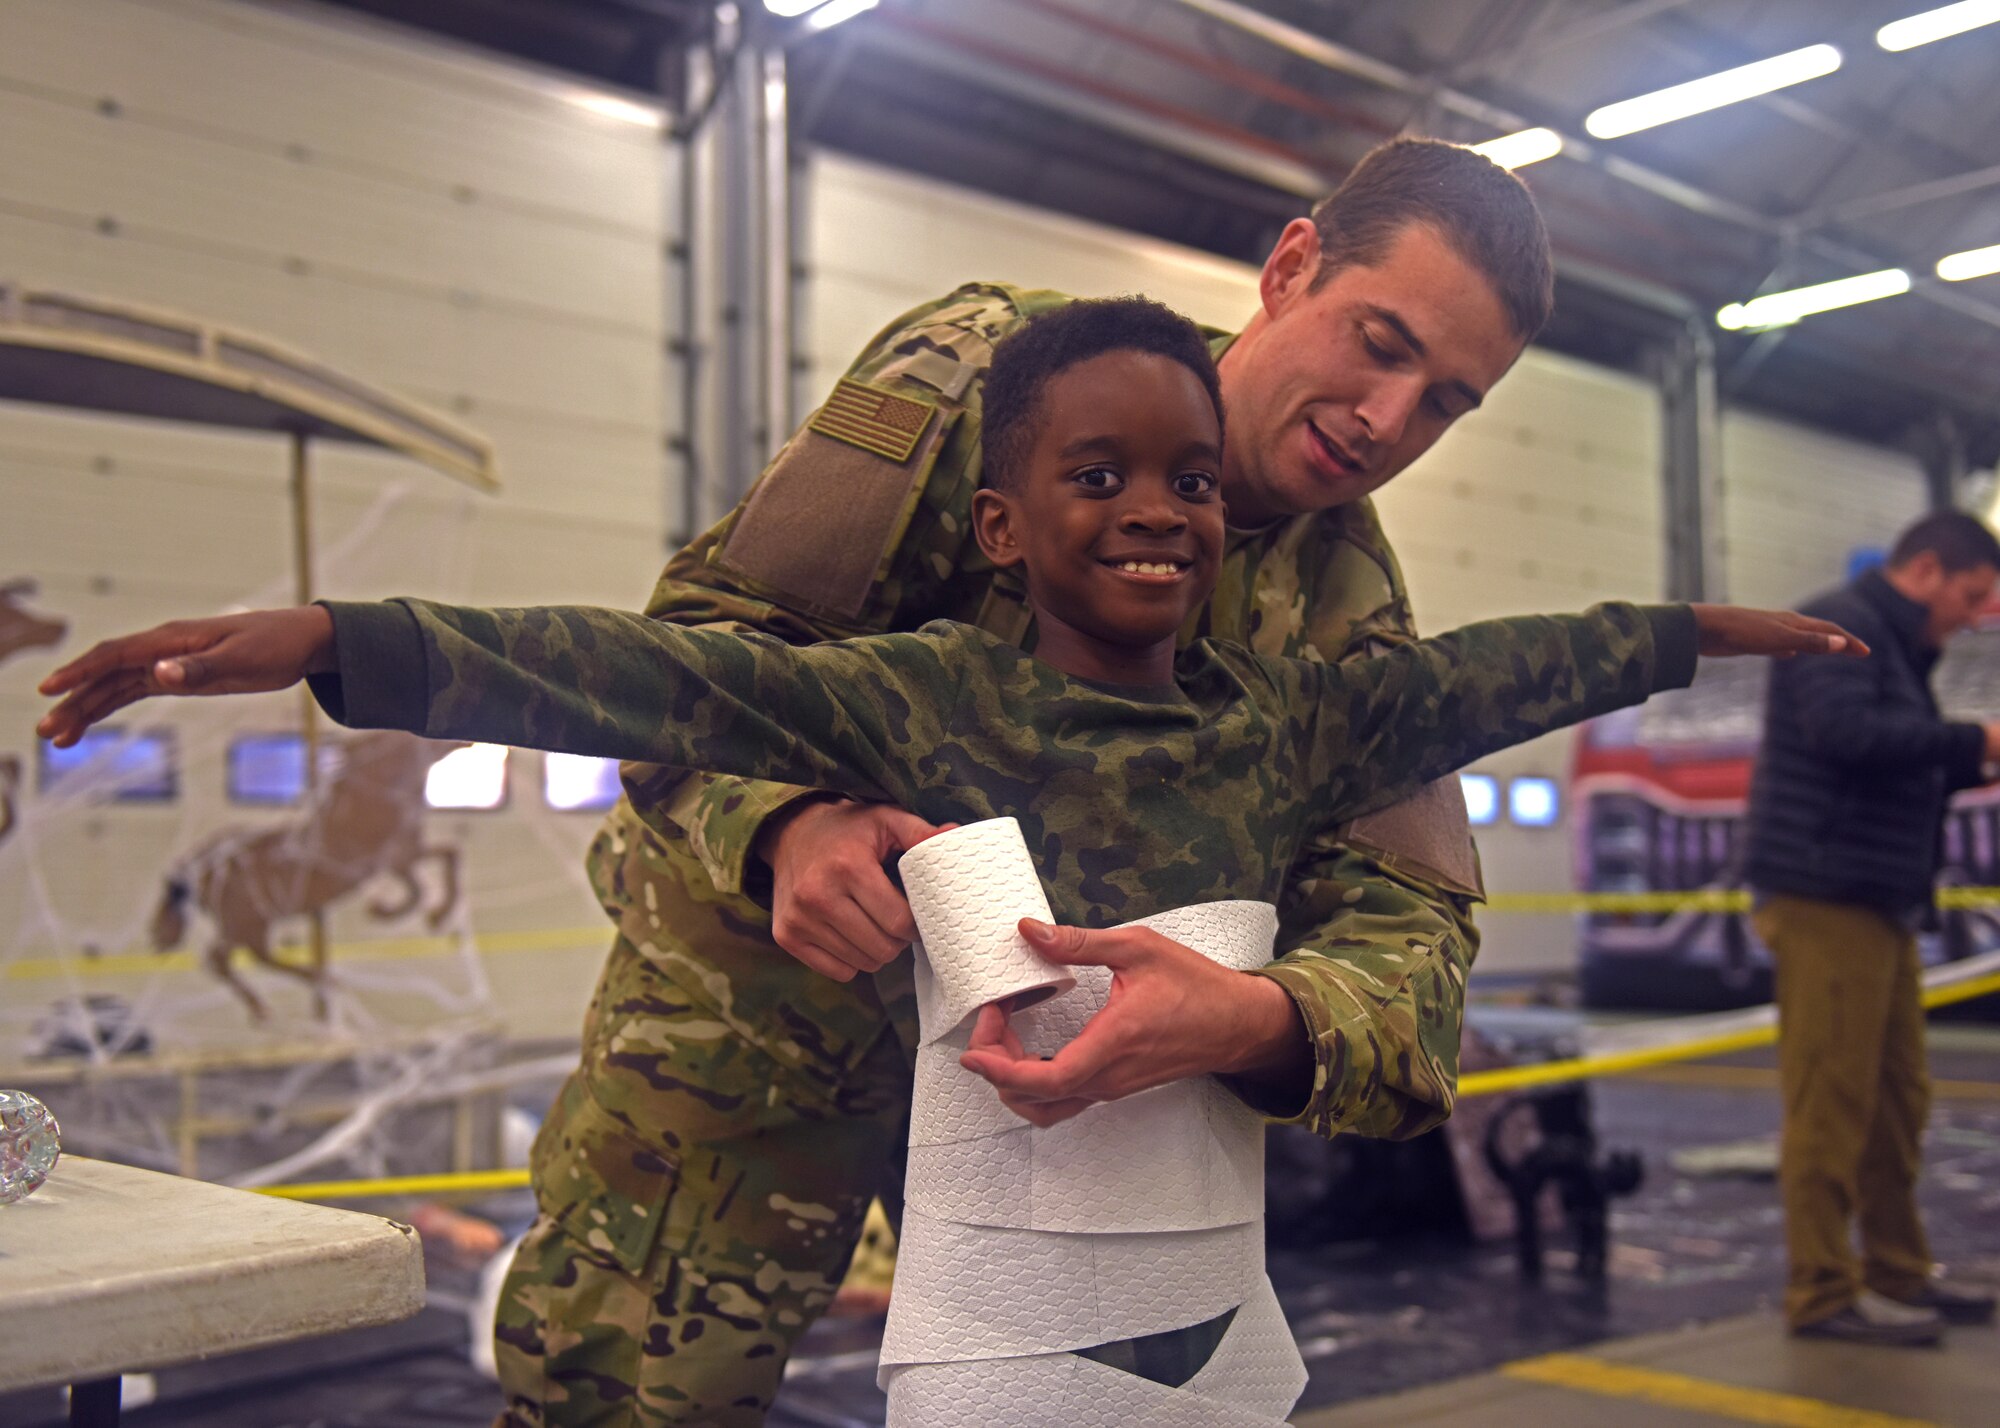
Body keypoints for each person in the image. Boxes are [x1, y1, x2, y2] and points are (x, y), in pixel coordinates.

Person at [41, 297, 1861, 1417]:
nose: (1157, 509)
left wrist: (1706, 627)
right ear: (1002, 517)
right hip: (823, 1159)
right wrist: (329, 636)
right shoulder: (927, 667)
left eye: (1451, 397)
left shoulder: (1306, 693)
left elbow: (1517, 670)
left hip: (1175, 1278)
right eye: (1386, 343)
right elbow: (647, 664)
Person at [1744, 510, 2000, 1346]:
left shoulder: (1893, 643)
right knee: (1832, 1099)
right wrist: (1978, 740)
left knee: (1897, 1101)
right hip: (1828, 898)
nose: (1974, 615)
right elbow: (1847, 736)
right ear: (1925, 570)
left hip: (1877, 898)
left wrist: (1967, 753)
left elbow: (1885, 754)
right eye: (1971, 595)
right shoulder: (1845, 627)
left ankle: (1896, 1270)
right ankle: (1822, 1291)